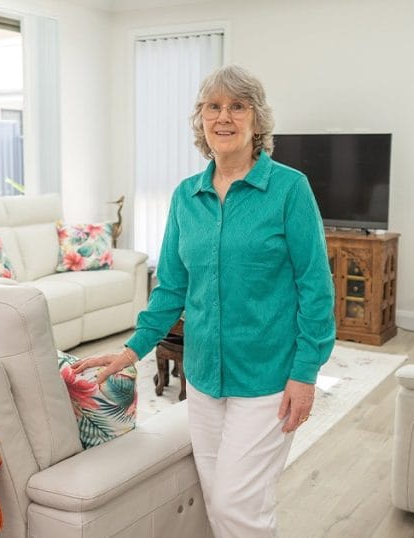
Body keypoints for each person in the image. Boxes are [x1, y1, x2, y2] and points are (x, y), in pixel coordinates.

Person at [73, 65, 335, 537]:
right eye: (213, 107)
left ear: (257, 121)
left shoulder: (289, 190)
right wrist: (133, 348)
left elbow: (316, 289)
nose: (224, 116)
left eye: (237, 106)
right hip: (205, 379)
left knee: (239, 505)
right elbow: (171, 288)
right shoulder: (185, 197)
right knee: (220, 498)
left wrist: (305, 373)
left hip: (268, 379)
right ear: (201, 120)